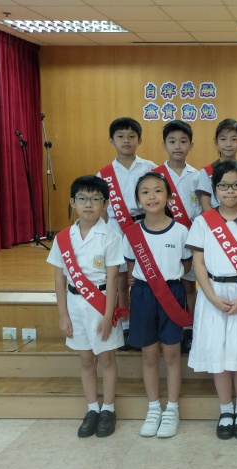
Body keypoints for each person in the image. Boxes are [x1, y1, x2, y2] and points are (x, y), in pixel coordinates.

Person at [186, 160, 237, 440]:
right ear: (214, 189)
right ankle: (225, 409)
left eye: (236, 185)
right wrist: (210, 296)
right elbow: (198, 262)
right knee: (218, 354)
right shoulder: (203, 222)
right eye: (223, 186)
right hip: (213, 296)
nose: (230, 191)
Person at [47, 175, 124, 438]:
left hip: (100, 304)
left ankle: (108, 409)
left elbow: (113, 279)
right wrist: (63, 315)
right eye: (82, 199)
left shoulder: (110, 236)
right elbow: (60, 277)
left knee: (106, 359)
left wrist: (108, 315)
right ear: (73, 202)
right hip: (74, 304)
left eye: (95, 199)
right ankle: (92, 408)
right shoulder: (63, 238)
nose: (88, 204)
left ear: (105, 203)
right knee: (86, 359)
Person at [122, 172, 192, 438]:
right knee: (149, 355)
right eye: (145, 192)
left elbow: (186, 265)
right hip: (142, 295)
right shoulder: (132, 233)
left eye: (158, 190)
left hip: (171, 293)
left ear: (169, 197)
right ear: (138, 200)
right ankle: (153, 408)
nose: (152, 196)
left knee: (172, 354)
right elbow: (131, 268)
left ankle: (172, 409)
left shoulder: (181, 231)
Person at [98, 117, 157, 350]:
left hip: (145, 226)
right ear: (111, 140)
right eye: (120, 136)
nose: (126, 140)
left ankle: (147, 324)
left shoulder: (150, 168)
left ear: (139, 140)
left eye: (132, 136)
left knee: (146, 279)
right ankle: (125, 324)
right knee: (121, 279)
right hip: (116, 229)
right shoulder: (104, 173)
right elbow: (102, 208)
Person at [154, 120, 201, 349]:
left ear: (191, 145)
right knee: (167, 284)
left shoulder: (198, 176)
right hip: (163, 240)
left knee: (189, 285)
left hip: (190, 239)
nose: (178, 146)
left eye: (183, 141)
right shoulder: (155, 176)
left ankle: (190, 327)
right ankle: (169, 324)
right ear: (164, 145)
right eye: (172, 141)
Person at [196, 118, 237, 212]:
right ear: (216, 142)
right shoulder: (206, 171)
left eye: (234, 139)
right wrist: (217, 221)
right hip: (213, 220)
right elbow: (205, 205)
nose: (228, 144)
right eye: (223, 139)